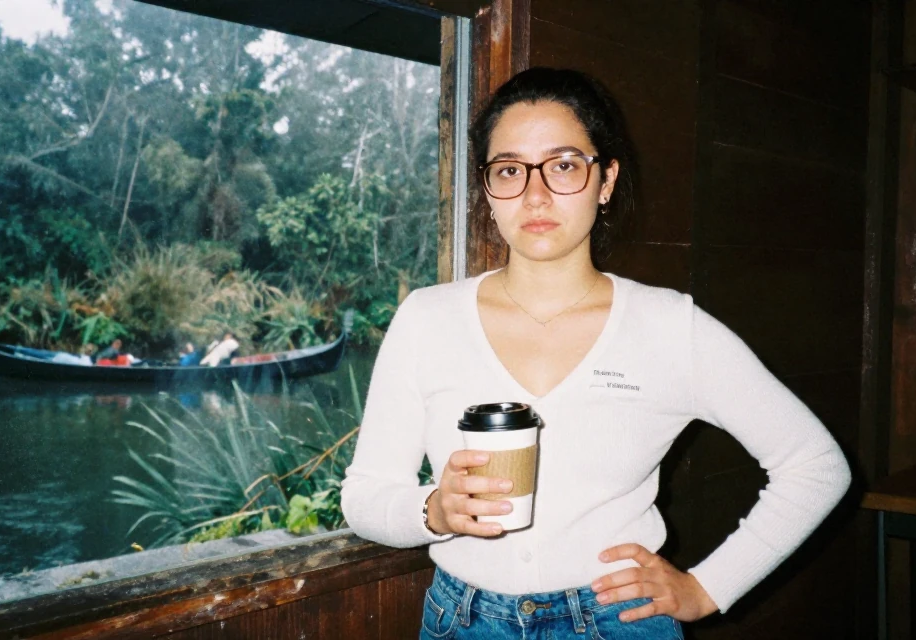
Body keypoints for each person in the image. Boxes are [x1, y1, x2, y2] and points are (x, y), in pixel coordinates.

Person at [340, 68, 851, 640]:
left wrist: (709, 588)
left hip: (617, 622)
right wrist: (432, 511)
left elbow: (816, 466)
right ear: (487, 189)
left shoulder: (668, 326)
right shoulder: (428, 319)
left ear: (605, 180)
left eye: (562, 165)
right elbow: (364, 495)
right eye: (509, 170)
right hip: (463, 622)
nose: (535, 195)